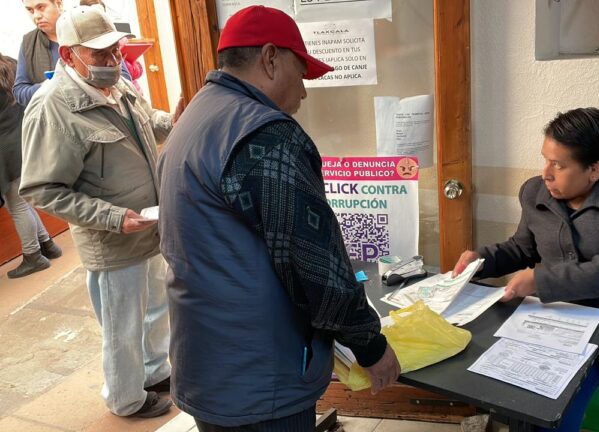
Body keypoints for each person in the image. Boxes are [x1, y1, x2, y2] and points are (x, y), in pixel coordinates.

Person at [157, 6, 401, 431]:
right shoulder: (266, 134)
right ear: (270, 59)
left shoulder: (194, 116)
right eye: (301, 72)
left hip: (207, 363)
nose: (304, 93)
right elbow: (316, 264)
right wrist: (370, 346)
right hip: (260, 380)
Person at [452, 108, 599, 432]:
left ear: (594, 170)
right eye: (545, 159)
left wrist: (539, 280)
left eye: (558, 165)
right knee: (542, 422)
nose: (545, 173)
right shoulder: (536, 192)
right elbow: (522, 248)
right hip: (562, 327)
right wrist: (481, 260)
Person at [19, 6, 182, 418]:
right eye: (99, 55)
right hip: (111, 237)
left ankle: (153, 371)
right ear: (69, 54)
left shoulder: (119, 86)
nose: (111, 62)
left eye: (115, 51)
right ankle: (125, 398)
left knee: (155, 309)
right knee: (121, 325)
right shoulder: (53, 108)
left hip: (148, 225)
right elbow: (42, 189)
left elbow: (147, 123)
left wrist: (177, 120)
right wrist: (114, 218)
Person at [0, 52, 62, 278]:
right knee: (23, 199)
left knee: (15, 204)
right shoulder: (10, 63)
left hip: (6, 149)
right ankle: (47, 244)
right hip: (23, 139)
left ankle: (33, 256)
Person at [14, 0, 131, 106]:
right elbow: (19, 91)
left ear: (59, 3)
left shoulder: (89, 29)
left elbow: (124, 78)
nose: (36, 16)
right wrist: (50, 87)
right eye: (30, 10)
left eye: (41, 7)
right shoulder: (28, 43)